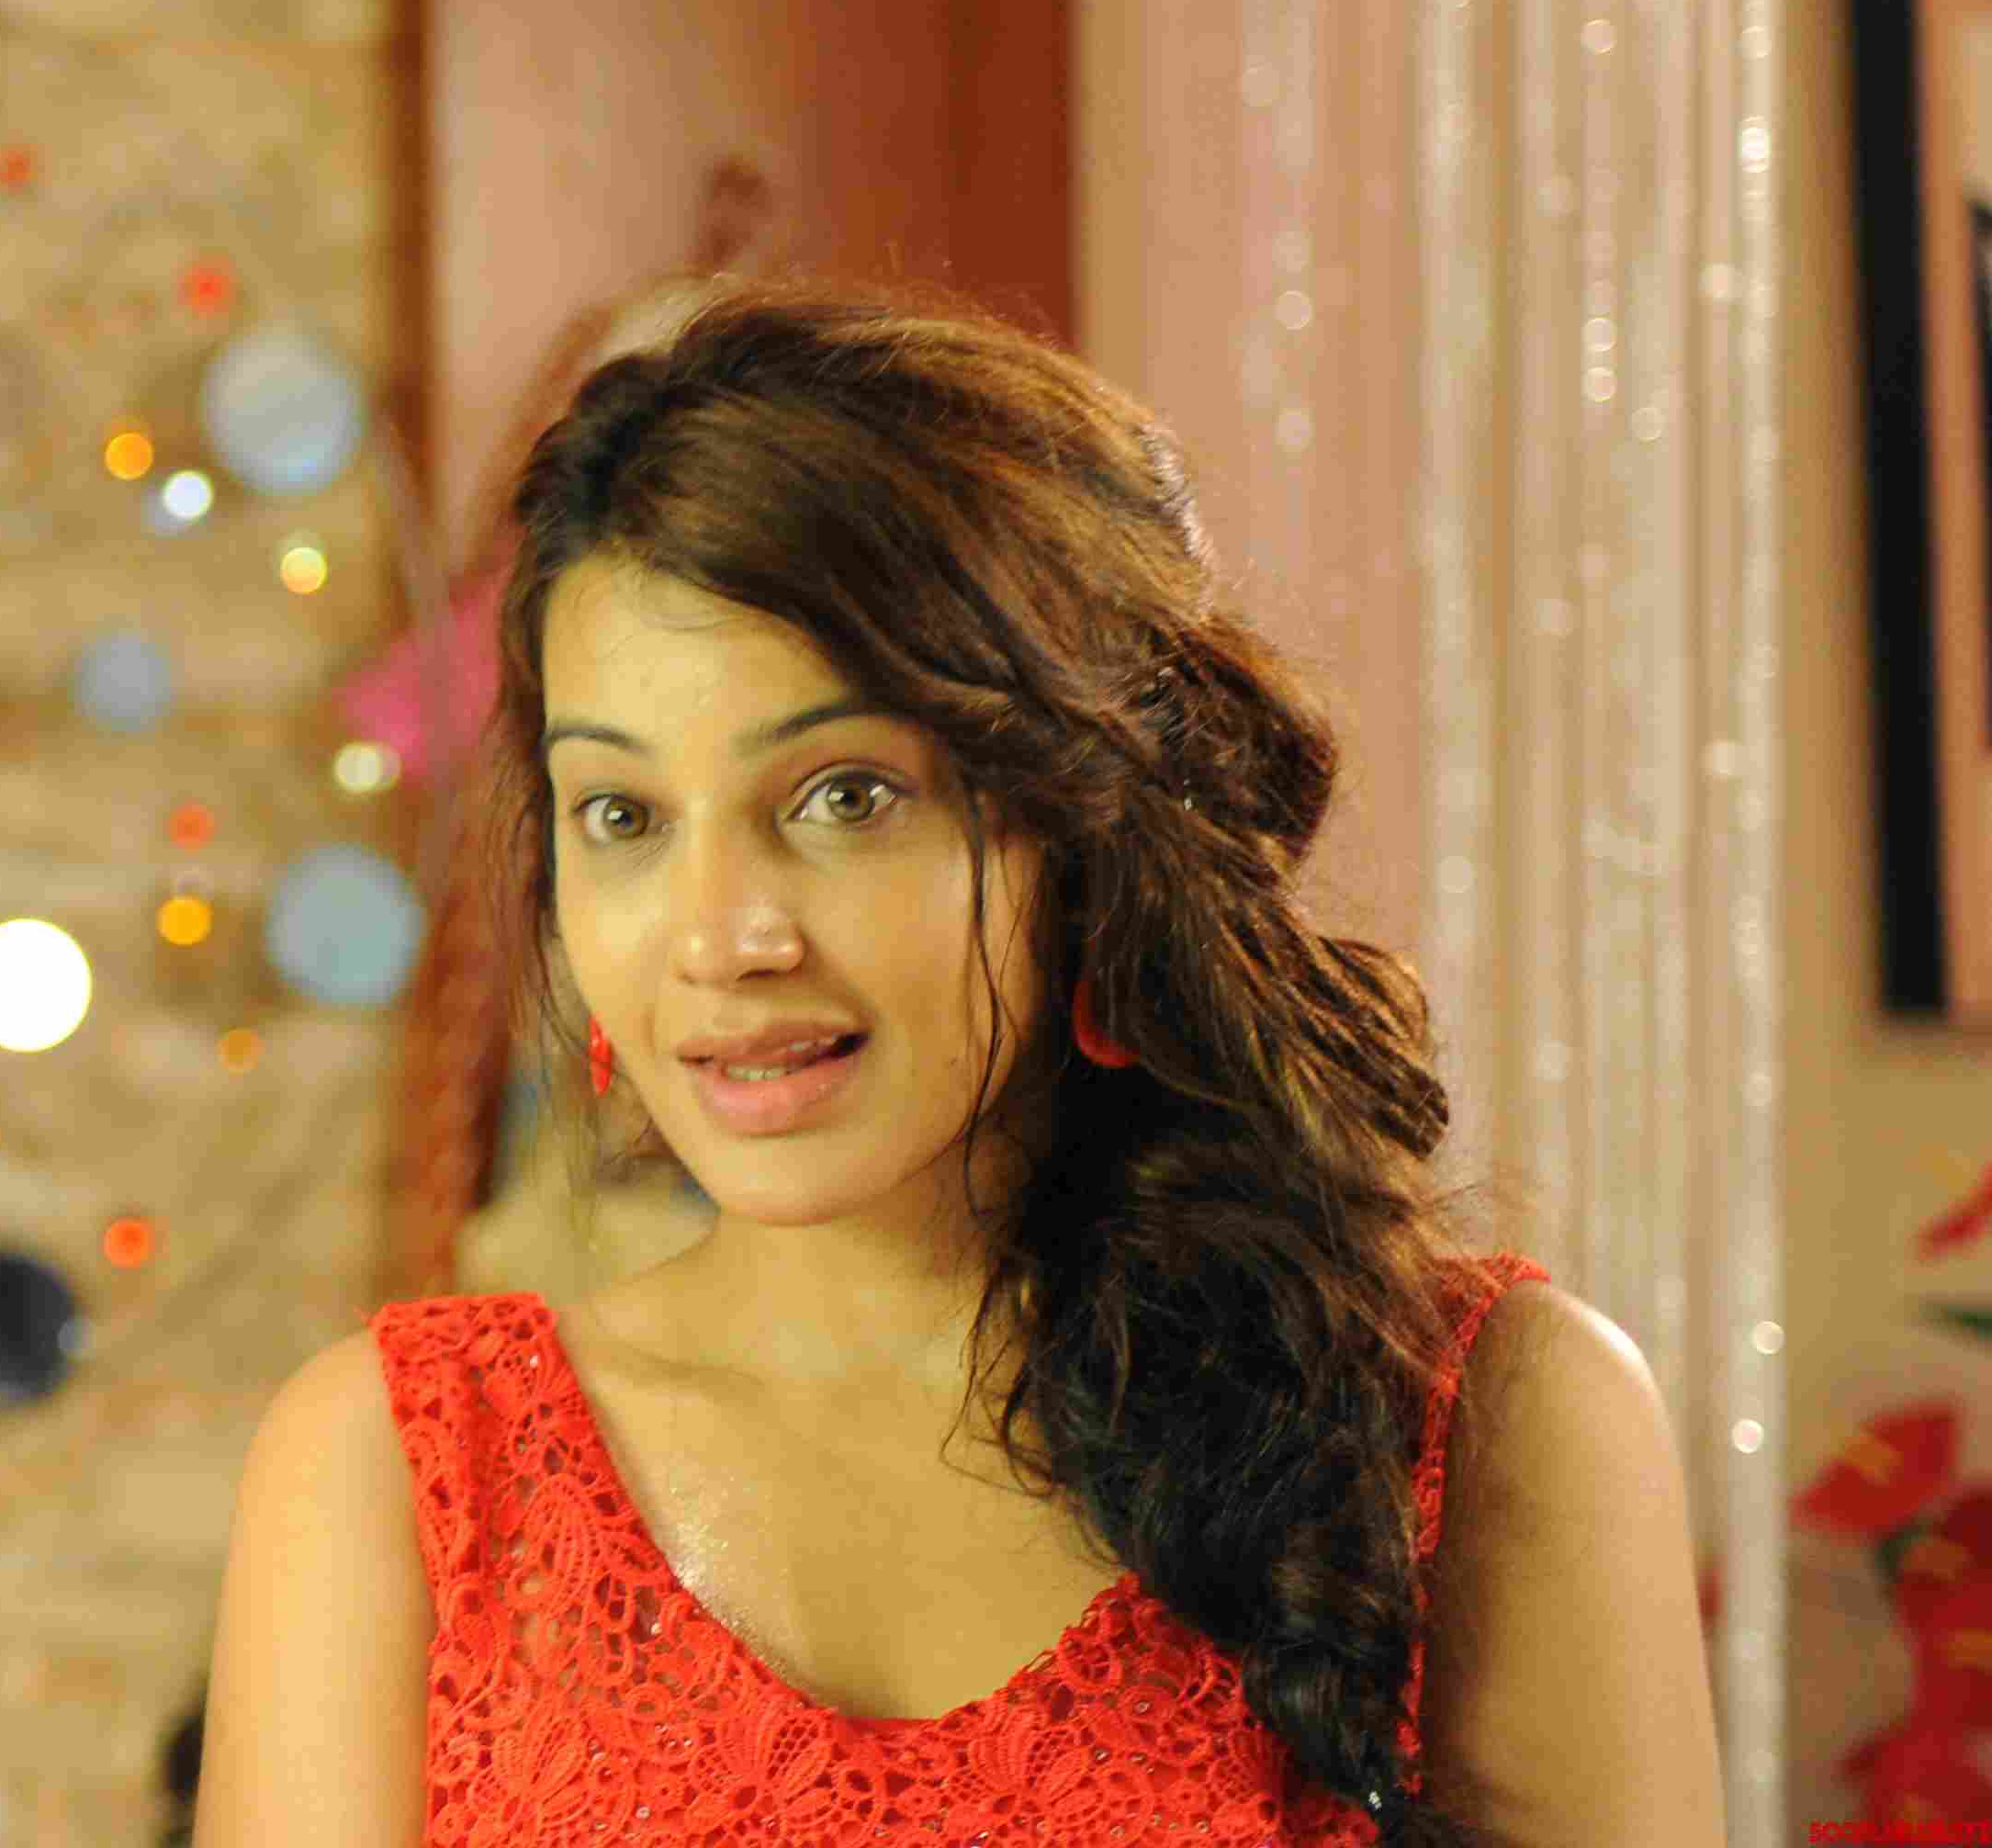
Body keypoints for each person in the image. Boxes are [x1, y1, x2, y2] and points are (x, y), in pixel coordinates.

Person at [195, 285, 1724, 1844]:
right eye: (625, 816)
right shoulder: (394, 1476)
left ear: (1092, 832)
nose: (719, 938)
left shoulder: (1487, 1422)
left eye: (845, 797)